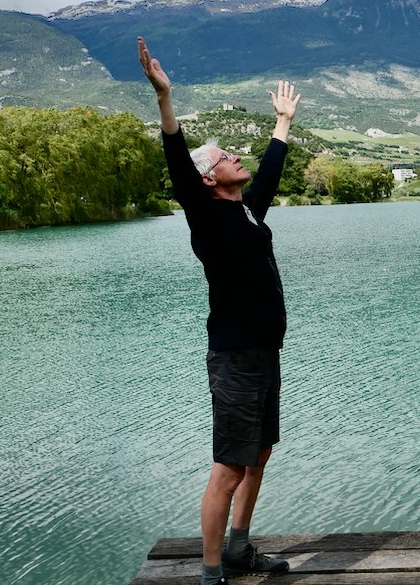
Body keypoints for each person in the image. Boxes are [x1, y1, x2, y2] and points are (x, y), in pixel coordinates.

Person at [138, 37, 298, 585]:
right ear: (209, 179)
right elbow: (178, 160)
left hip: (265, 352)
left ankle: (238, 548)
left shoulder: (248, 213)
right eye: (227, 157)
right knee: (229, 468)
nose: (237, 158)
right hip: (234, 357)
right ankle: (211, 576)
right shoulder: (205, 217)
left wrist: (282, 124)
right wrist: (165, 99)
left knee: (260, 455)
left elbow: (270, 174)